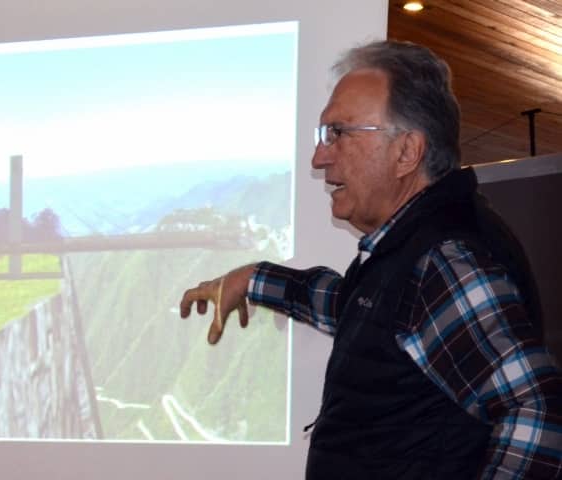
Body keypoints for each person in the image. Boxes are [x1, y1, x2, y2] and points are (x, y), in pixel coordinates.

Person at [179, 40, 562, 479]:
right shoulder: (415, 249)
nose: (319, 156)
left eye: (338, 133)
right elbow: (365, 310)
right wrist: (254, 277)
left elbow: (539, 409)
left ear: (406, 152)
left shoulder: (443, 258)